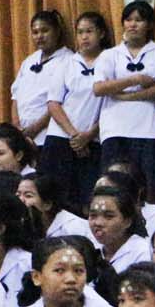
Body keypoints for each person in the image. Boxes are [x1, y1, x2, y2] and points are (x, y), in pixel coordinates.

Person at [94, 0, 155, 191]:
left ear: (150, 25)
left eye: (139, 20)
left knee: (148, 187)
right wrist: (135, 79)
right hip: (115, 129)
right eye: (128, 20)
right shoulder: (110, 54)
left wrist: (127, 96)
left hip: (149, 130)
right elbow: (99, 88)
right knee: (113, 187)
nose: (132, 25)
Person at [43, 10, 109, 209]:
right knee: (54, 197)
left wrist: (89, 135)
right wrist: (74, 136)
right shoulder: (67, 62)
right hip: (62, 137)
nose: (84, 37)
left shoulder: (110, 60)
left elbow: (112, 105)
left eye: (89, 31)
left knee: (87, 199)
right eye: (80, 32)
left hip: (92, 140)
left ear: (101, 33)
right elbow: (53, 103)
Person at [10, 11, 73, 147]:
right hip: (23, 137)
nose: (39, 36)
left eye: (45, 31)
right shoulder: (29, 61)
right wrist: (17, 127)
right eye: (35, 32)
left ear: (57, 31)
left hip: (50, 135)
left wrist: (36, 128)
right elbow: (15, 96)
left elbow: (64, 101)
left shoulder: (69, 60)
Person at [86, 184, 152, 271]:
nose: (98, 223)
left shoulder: (143, 252)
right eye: (93, 215)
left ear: (127, 221)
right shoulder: (89, 247)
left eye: (108, 216)